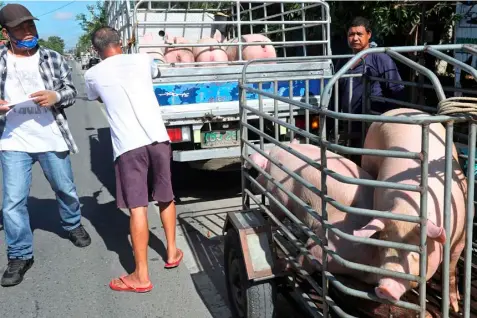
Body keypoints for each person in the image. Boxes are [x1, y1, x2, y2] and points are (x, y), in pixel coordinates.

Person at [84, 27, 183, 293]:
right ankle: (172, 252)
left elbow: (94, 96)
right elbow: (156, 70)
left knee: (138, 206)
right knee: (166, 195)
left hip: (129, 146)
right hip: (158, 138)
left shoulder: (92, 73)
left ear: (96, 50)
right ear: (120, 43)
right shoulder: (142, 59)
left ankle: (141, 275)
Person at [0, 3, 91, 287]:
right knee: (12, 201)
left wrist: (55, 96)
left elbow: (71, 90)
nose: (28, 31)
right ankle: (19, 254)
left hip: (51, 135)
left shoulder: (52, 57)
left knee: (64, 187)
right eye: (20, 28)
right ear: (7, 32)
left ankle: (72, 223)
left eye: (30, 25)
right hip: (13, 139)